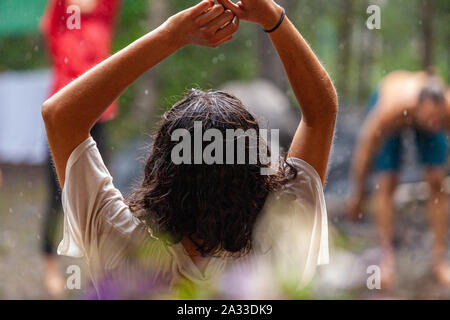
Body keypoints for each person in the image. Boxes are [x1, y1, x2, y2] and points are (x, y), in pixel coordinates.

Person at [42, 0, 337, 298]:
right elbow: (321, 113)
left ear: (161, 171)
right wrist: (273, 18)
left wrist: (170, 36)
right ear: (255, 173)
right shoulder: (281, 239)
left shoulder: (123, 245)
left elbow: (61, 116)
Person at [40, 0, 120, 297]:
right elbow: (48, 25)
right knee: (57, 197)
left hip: (99, 115)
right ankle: (49, 265)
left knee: (100, 195)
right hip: (62, 116)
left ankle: (96, 269)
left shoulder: (105, 10)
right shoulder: (61, 13)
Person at [349, 70, 450, 288]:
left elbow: (435, 126)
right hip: (391, 101)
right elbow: (364, 152)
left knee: (436, 181)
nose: (434, 124)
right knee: (387, 180)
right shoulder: (390, 111)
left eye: (437, 120)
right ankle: (386, 258)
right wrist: (357, 195)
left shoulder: (445, 111)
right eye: (429, 119)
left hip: (430, 106)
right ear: (418, 108)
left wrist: (434, 121)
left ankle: (439, 260)